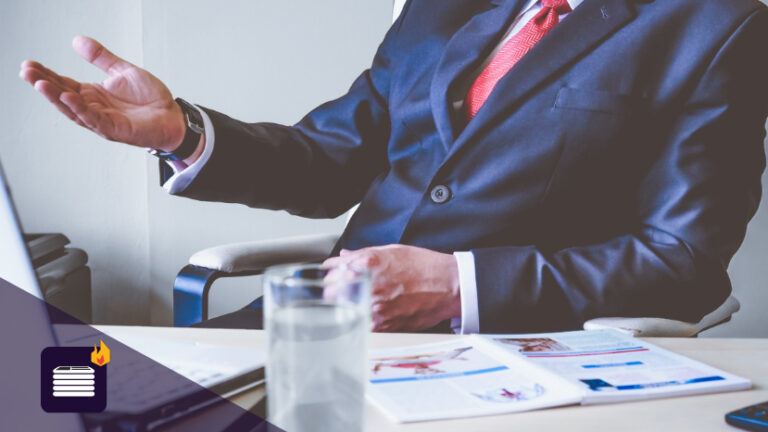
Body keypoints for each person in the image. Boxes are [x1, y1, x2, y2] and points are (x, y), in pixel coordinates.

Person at [20, 0, 768, 333]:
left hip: (510, 350)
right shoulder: (441, 7)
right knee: (91, 397)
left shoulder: (719, 26)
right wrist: (183, 131)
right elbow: (327, 162)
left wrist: (456, 288)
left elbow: (685, 259)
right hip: (322, 323)